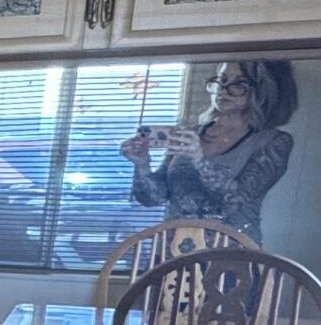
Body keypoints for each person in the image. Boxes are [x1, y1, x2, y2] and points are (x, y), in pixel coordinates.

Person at [118, 59, 298, 242]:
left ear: (263, 90)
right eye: (220, 80)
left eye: (239, 84)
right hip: (174, 251)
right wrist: (142, 165)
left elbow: (237, 198)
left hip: (230, 254)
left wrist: (199, 160)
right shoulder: (189, 134)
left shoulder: (274, 141)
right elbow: (153, 199)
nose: (224, 89)